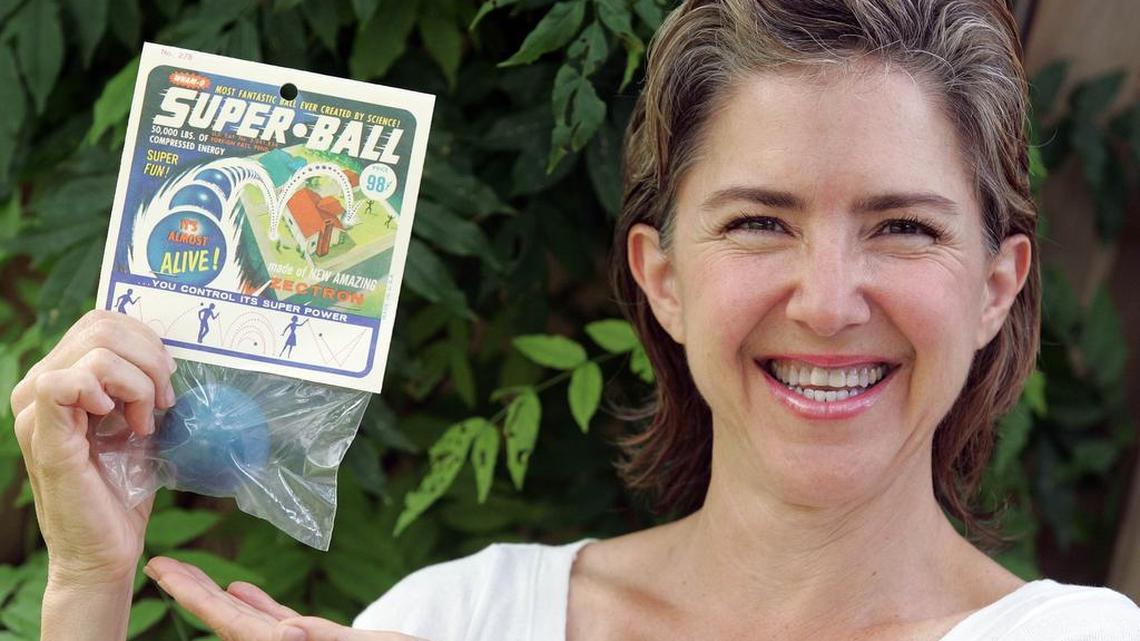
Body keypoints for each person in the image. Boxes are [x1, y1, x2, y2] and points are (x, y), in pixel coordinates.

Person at [10, 1, 1140, 640]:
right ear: (661, 275)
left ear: (997, 284)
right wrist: (86, 588)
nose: (829, 299)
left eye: (903, 227)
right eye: (758, 222)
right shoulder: (457, 618)